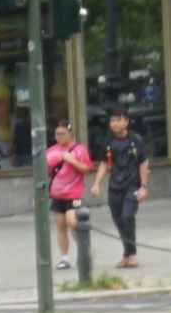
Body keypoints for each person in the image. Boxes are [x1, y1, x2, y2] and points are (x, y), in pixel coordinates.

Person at [91, 109, 148, 269]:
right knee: (119, 221)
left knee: (127, 216)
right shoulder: (108, 142)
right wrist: (97, 183)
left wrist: (143, 186)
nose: (114, 124)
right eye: (112, 121)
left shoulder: (136, 140)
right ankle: (126, 253)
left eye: (118, 120)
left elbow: (143, 163)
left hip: (132, 185)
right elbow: (104, 164)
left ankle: (132, 254)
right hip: (115, 186)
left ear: (126, 122)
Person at [45, 121, 91, 272]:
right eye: (57, 134)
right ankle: (64, 258)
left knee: (73, 222)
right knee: (61, 225)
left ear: (70, 134)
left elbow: (87, 168)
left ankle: (83, 252)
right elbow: (46, 174)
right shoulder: (50, 151)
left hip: (73, 193)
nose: (60, 137)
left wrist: (72, 161)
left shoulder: (78, 150)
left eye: (63, 133)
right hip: (56, 193)